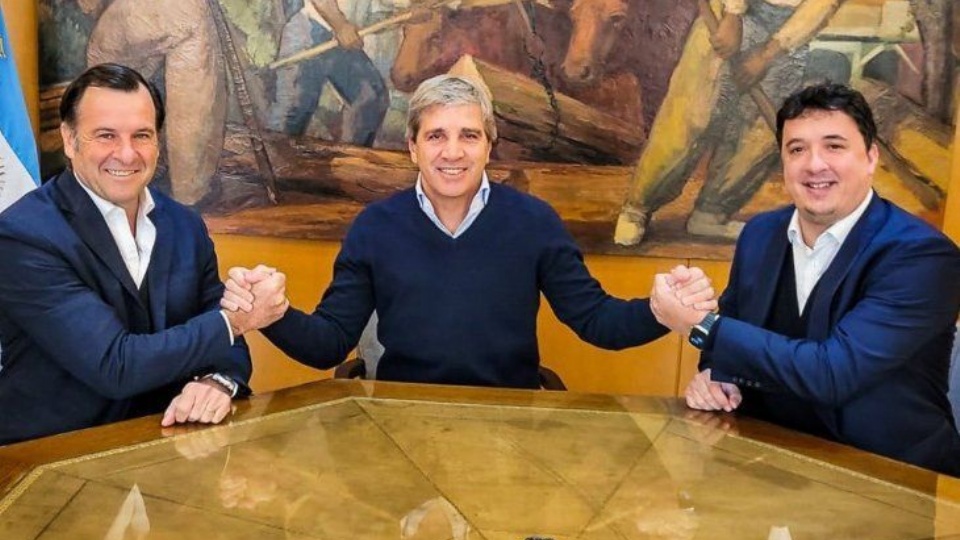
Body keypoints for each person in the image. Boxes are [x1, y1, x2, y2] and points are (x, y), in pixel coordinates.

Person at [223, 74, 715, 388]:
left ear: (489, 146)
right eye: (436, 136)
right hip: (400, 423)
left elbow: (597, 322)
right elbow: (328, 343)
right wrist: (273, 313)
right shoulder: (375, 227)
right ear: (413, 147)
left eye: (469, 136)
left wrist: (660, 311)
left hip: (509, 426)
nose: (453, 152)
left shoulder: (534, 222)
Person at [653, 83, 960, 475]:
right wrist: (716, 377)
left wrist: (701, 327)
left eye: (834, 146)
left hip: (890, 479)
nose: (815, 165)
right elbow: (729, 340)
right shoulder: (760, 234)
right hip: (766, 462)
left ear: (871, 157)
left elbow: (832, 374)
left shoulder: (923, 256)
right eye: (797, 149)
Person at [0, 63, 287, 444]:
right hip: (50, 457)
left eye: (142, 135)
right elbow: (114, 365)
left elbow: (222, 339)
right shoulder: (24, 235)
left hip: (166, 450)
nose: (127, 153)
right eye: (106, 135)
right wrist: (236, 320)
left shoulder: (185, 226)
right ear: (69, 140)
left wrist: (217, 381)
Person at [613, 0, 844, 245]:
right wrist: (733, 14)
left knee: (757, 135)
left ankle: (711, 212)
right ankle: (637, 208)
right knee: (691, 116)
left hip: (788, 34)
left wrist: (768, 54)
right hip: (730, 16)